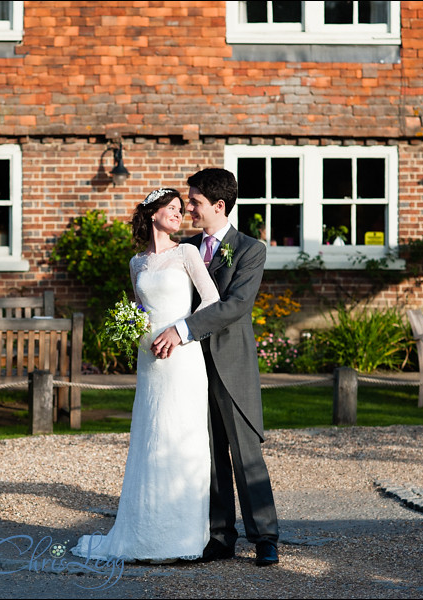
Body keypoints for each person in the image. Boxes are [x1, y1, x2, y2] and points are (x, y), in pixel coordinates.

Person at [71, 188, 220, 563]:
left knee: (179, 437)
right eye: (170, 209)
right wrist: (132, 328)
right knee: (150, 438)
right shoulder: (137, 263)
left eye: (180, 210)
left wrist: (180, 331)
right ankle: (145, 532)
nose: (178, 214)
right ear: (151, 213)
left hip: (183, 359)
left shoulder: (186, 252)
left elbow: (212, 301)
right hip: (149, 361)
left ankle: (181, 538)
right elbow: (140, 308)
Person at [150, 168, 280, 567]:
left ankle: (265, 537)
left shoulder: (249, 250)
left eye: (195, 202)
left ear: (219, 206)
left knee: (245, 455)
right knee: (206, 453)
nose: (188, 208)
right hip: (190, 368)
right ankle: (220, 535)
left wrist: (182, 329)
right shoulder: (185, 247)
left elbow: (236, 305)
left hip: (231, 364)